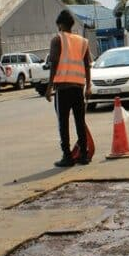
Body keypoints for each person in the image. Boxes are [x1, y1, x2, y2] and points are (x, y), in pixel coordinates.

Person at [45, 10, 93, 167]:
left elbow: (54, 64)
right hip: (78, 87)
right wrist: (89, 86)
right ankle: (84, 155)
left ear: (59, 24)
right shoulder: (82, 41)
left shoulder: (57, 40)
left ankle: (67, 156)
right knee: (80, 121)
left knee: (63, 123)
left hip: (63, 88)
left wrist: (49, 87)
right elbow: (87, 64)